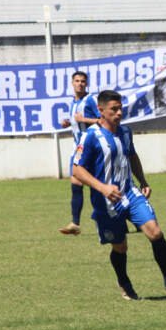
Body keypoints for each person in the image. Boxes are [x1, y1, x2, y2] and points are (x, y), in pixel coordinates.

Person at [72, 90, 166, 300]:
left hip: (130, 192)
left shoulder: (126, 132)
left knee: (155, 232)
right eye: (114, 110)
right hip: (106, 202)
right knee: (120, 246)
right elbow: (77, 170)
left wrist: (143, 181)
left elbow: (132, 156)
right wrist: (103, 188)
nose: (119, 113)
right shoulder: (90, 136)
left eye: (120, 109)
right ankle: (125, 283)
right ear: (101, 110)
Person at [59, 71, 99, 235]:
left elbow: (103, 119)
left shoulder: (90, 100)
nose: (80, 84)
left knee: (96, 187)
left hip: (91, 148)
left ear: (86, 84)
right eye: (77, 81)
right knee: (76, 184)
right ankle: (75, 223)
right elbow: (77, 123)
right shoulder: (73, 102)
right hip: (78, 148)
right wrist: (68, 123)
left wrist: (84, 120)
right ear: (72, 83)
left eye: (83, 81)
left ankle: (128, 217)